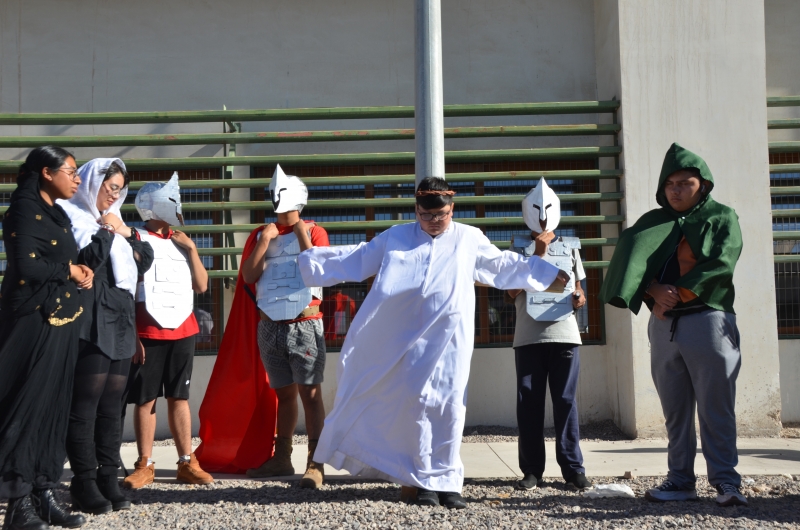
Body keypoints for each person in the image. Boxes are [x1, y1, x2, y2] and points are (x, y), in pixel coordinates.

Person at [297, 177, 569, 509]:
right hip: (406, 340)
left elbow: (502, 266)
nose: (434, 221)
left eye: (441, 215)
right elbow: (356, 258)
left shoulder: (468, 238)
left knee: (450, 407)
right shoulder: (395, 237)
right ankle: (421, 481)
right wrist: (310, 263)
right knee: (415, 406)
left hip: (451, 339)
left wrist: (543, 274)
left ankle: (449, 483)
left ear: (451, 209)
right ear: (416, 211)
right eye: (426, 216)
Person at [599, 143, 746, 507]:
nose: (677, 190)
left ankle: (727, 482)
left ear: (703, 185)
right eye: (671, 184)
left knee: (716, 407)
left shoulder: (722, 216)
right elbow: (630, 266)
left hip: (709, 321)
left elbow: (722, 262)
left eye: (686, 182)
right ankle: (680, 480)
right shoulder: (651, 223)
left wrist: (678, 293)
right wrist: (651, 289)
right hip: (663, 326)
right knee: (675, 410)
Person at [0, 146, 93, 530]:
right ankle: (17, 503)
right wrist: (68, 270)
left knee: (53, 409)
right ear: (45, 172)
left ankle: (43, 492)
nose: (76, 179)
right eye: (70, 171)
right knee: (27, 407)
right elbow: (26, 266)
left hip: (61, 322)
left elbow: (61, 261)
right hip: (32, 322)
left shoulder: (57, 213)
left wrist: (81, 270)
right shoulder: (23, 209)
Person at [58, 158, 154, 515]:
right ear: (90, 182)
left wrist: (123, 231)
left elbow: (143, 259)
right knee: (86, 403)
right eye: (109, 187)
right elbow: (89, 259)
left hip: (121, 312)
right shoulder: (72, 215)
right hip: (91, 310)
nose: (113, 195)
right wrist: (108, 231)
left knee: (113, 406)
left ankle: (108, 479)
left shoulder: (116, 222)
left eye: (119, 189)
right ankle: (83, 482)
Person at [121, 173, 214, 489]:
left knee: (179, 397)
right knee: (145, 399)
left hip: (183, 330)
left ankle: (186, 462)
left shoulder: (181, 240)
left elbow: (202, 285)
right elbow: (125, 290)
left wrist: (192, 250)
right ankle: (144, 464)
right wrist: (132, 335)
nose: (178, 205)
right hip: (147, 332)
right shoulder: (133, 238)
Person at [240, 165, 330, 489]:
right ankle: (282, 456)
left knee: (311, 394)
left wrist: (302, 230)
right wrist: (264, 240)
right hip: (270, 326)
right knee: (284, 394)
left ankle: (315, 463)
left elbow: (316, 269)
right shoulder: (261, 234)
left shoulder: (316, 231)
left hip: (304, 323)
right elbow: (249, 276)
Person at [507, 178, 591, 492]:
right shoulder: (516, 249)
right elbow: (511, 290)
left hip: (565, 335)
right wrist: (538, 256)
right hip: (528, 338)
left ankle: (573, 470)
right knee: (529, 404)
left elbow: (579, 288)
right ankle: (532, 471)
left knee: (566, 402)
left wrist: (580, 297)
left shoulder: (570, 246)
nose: (542, 215)